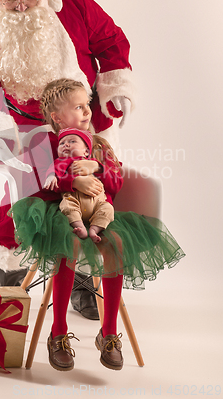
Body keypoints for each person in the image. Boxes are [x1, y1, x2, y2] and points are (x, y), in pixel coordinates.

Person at [0, 0, 136, 318]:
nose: (20, 4)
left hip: (84, 124)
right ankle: (7, 283)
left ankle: (82, 284)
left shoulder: (73, 2)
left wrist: (116, 86)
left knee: (94, 202)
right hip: (27, 132)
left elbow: (110, 41)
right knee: (20, 204)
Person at [10, 78, 185, 371]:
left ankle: (108, 333)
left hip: (99, 212)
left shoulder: (100, 144)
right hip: (60, 213)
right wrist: (72, 179)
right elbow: (35, 183)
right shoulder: (44, 143)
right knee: (70, 242)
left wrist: (99, 167)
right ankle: (59, 331)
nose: (87, 111)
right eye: (78, 107)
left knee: (115, 243)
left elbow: (115, 184)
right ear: (57, 117)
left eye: (87, 104)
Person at [44, 127, 115, 244]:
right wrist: (51, 176)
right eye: (62, 143)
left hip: (98, 202)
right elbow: (54, 171)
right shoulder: (61, 162)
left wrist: (98, 166)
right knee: (67, 206)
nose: (66, 144)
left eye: (72, 141)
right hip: (74, 199)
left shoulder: (92, 162)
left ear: (86, 151)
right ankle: (80, 226)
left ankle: (94, 229)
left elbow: (114, 181)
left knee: (108, 209)